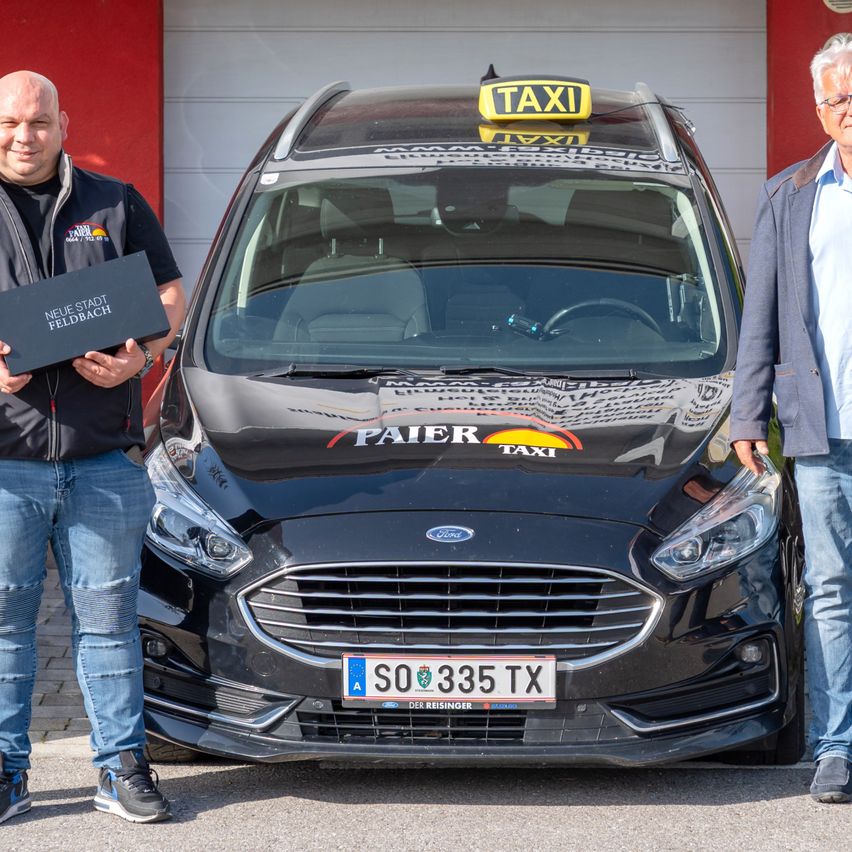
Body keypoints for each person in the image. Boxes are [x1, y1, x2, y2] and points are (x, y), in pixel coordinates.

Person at [0, 71, 185, 823]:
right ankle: (7, 772)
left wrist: (141, 357)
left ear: (63, 124)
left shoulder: (115, 202)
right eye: (10, 122)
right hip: (5, 463)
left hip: (104, 459)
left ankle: (121, 768)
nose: (24, 136)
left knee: (108, 626)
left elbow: (168, 296)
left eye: (39, 121)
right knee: (4, 629)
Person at [732, 32, 852, 803]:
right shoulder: (789, 194)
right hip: (821, 433)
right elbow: (762, 319)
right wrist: (748, 413)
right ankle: (836, 747)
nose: (845, 109)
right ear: (817, 108)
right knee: (832, 590)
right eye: (833, 98)